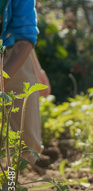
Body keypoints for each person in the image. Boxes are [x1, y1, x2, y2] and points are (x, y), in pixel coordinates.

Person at [1, 0, 45, 174]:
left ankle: (12, 190)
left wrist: (2, 79)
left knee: (27, 140)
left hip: (12, 52)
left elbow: (25, 36)